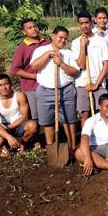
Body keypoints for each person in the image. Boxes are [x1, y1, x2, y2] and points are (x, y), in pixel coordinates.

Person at [30, 26, 80, 154]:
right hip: (45, 91)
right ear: (53, 36)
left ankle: (72, 147)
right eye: (60, 37)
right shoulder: (41, 50)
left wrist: (62, 64)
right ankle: (51, 148)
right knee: (48, 122)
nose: (63, 41)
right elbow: (35, 66)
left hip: (66, 90)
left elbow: (75, 72)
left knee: (69, 120)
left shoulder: (68, 53)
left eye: (66, 39)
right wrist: (48, 55)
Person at [72, 11, 108, 126]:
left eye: (87, 22)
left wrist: (96, 84)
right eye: (81, 23)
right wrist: (83, 46)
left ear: (91, 23)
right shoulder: (75, 43)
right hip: (82, 83)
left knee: (103, 112)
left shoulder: (101, 41)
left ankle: (104, 138)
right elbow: (82, 65)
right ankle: (86, 140)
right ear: (79, 25)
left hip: (99, 83)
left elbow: (106, 64)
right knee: (85, 114)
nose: (84, 25)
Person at [10, 18, 50, 123]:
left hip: (48, 84)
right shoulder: (23, 48)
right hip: (31, 87)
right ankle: (35, 138)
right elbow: (15, 70)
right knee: (34, 116)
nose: (34, 29)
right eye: (30, 28)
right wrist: (35, 77)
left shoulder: (47, 43)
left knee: (49, 113)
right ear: (24, 32)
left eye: (35, 26)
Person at [0, 73, 37, 157]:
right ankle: (6, 146)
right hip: (3, 126)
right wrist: (8, 137)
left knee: (32, 126)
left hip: (19, 123)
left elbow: (25, 116)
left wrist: (10, 127)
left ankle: (23, 144)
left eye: (6, 84)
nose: (4, 87)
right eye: (0, 85)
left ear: (11, 84)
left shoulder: (19, 96)